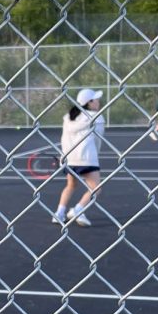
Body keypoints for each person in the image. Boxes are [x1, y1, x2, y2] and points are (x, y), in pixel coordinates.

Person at [53, 87, 105, 228]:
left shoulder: (69, 117)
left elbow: (63, 138)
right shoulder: (97, 117)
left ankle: (59, 213)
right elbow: (98, 140)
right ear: (89, 102)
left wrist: (64, 155)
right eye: (96, 99)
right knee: (96, 188)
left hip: (70, 158)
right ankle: (78, 209)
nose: (98, 101)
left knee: (71, 185)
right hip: (87, 157)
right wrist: (95, 155)